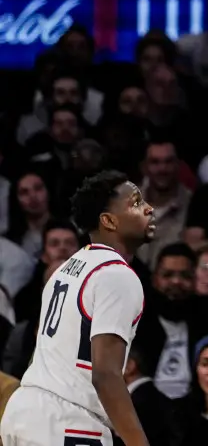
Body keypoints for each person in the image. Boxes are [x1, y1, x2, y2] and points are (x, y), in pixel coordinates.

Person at [0, 171, 154, 446]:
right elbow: (105, 374)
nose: (149, 208)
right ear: (108, 221)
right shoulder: (116, 274)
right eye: (135, 203)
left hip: (23, 413)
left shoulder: (65, 269)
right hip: (68, 421)